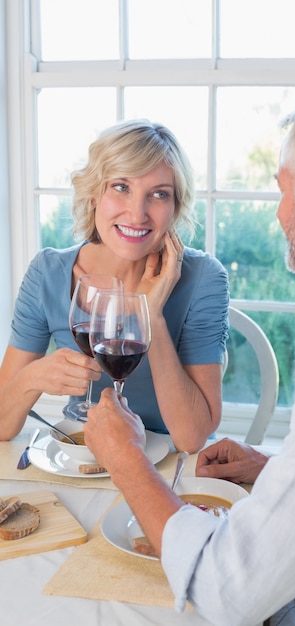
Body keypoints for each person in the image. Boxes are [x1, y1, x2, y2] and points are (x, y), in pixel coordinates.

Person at [84, 87, 295, 626]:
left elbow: (228, 593)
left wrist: (126, 460)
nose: (280, 211)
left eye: (282, 190)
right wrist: (281, 471)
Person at [0, 120, 229, 452]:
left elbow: (192, 439)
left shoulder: (204, 278)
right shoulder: (48, 273)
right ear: (95, 194)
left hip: (170, 469)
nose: (137, 214)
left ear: (175, 207)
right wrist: (33, 378)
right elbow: (3, 427)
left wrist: (153, 315)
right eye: (121, 187)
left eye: (159, 194)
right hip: (82, 455)